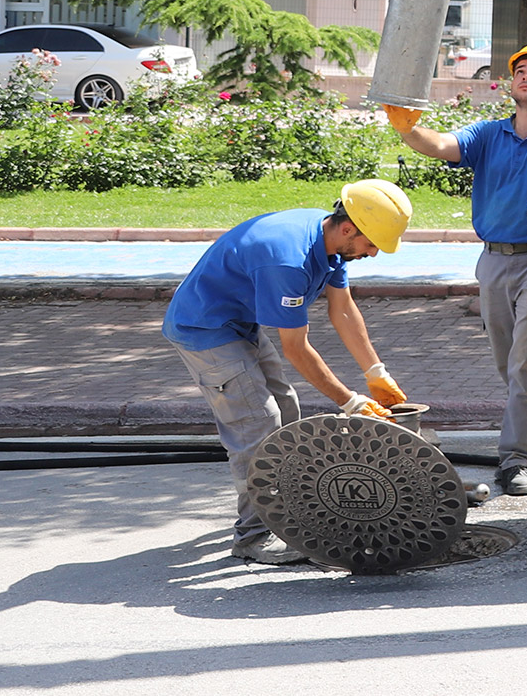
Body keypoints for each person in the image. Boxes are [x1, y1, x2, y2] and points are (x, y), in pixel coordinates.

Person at [163, 181, 415, 564]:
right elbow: (296, 349)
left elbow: (343, 309)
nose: (374, 253)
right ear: (348, 228)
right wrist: (350, 402)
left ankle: (290, 514)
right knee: (258, 423)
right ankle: (253, 537)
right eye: (371, 243)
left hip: (239, 322)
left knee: (287, 408)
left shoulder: (329, 240)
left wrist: (375, 372)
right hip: (204, 329)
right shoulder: (288, 260)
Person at [395, 42, 527, 497]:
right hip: (494, 261)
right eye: (521, 71)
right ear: (512, 84)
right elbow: (440, 145)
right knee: (516, 365)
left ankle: (515, 460)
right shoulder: (486, 135)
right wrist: (406, 128)